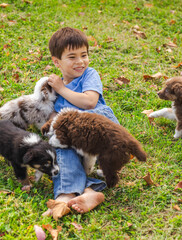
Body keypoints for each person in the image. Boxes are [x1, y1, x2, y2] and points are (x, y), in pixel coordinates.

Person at [43, 27, 119, 215]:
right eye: (72, 57)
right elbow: (53, 116)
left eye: (83, 55)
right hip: (77, 140)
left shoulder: (89, 74)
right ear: (56, 62)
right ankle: (77, 193)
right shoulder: (54, 89)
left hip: (100, 130)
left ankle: (79, 191)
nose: (80, 62)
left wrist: (61, 89)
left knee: (91, 114)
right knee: (61, 150)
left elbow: (89, 102)